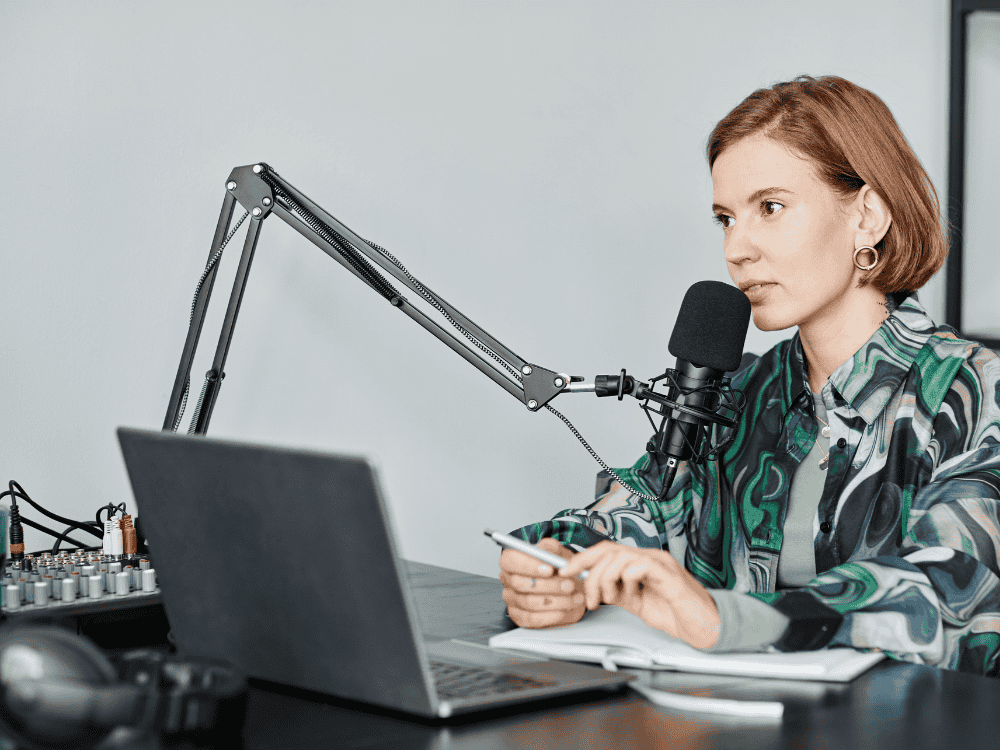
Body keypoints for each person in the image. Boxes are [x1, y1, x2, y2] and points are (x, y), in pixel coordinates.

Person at [499, 75, 1000, 675]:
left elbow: (954, 595)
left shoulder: (971, 390)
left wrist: (724, 618)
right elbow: (648, 509)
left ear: (866, 216)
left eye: (770, 208)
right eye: (725, 219)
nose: (737, 248)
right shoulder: (739, 390)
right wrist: (555, 562)